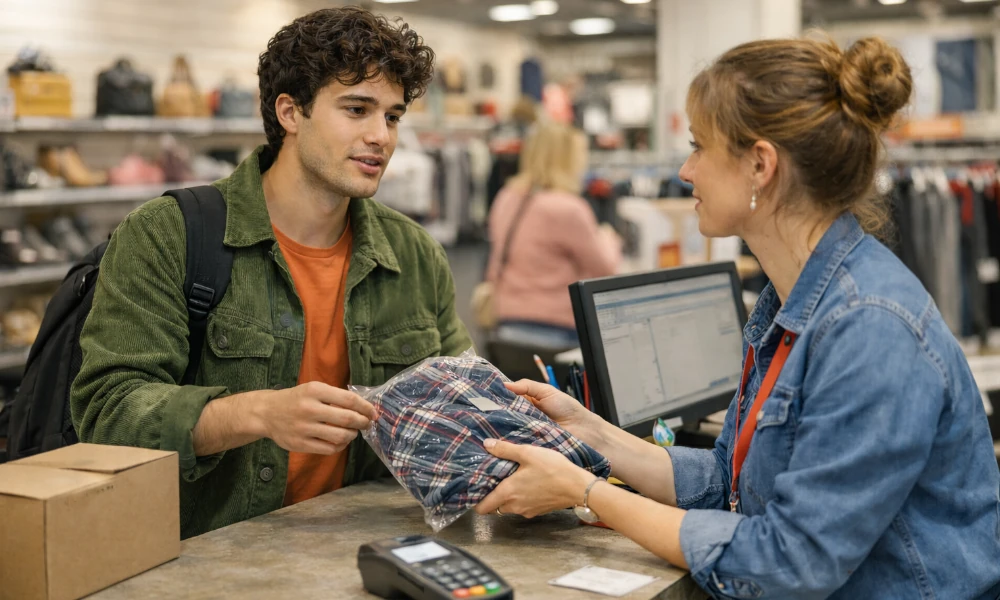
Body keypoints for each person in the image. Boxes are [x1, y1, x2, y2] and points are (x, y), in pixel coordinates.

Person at [474, 35, 1000, 599]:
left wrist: (586, 491)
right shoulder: (791, 299)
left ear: (760, 164)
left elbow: (788, 562)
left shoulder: (870, 327)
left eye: (700, 147)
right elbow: (729, 481)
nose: (685, 170)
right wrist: (592, 433)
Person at [71, 7, 472, 539]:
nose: (382, 136)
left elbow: (458, 405)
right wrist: (257, 413)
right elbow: (107, 411)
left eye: (393, 116)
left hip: (368, 547)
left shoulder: (414, 255)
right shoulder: (169, 235)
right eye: (357, 109)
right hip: (206, 559)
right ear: (290, 112)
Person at [485, 122, 622, 348]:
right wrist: (609, 238)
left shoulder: (507, 197)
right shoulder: (568, 208)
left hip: (506, 325)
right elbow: (605, 269)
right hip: (556, 331)